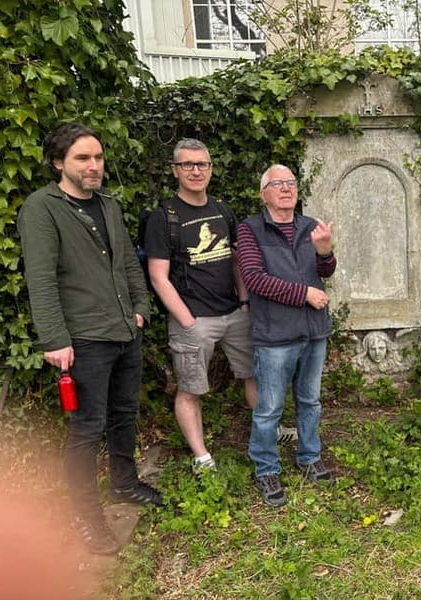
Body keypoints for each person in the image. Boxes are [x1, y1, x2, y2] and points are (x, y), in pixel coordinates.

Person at [18, 123, 163, 555]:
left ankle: (124, 484)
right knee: (86, 429)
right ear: (58, 162)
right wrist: (54, 339)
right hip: (83, 340)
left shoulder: (109, 205)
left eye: (98, 157)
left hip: (124, 331)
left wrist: (141, 306)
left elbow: (129, 263)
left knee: (124, 414)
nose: (93, 165)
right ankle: (87, 517)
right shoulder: (42, 209)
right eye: (83, 158)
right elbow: (41, 280)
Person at [145, 139, 296, 473]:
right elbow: (158, 276)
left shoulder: (222, 210)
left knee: (255, 374)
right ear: (175, 170)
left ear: (211, 169)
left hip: (234, 312)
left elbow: (237, 260)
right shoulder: (164, 217)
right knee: (191, 389)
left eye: (202, 164)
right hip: (194, 319)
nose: (196, 170)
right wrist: (186, 319)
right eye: (187, 164)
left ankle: (270, 432)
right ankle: (202, 457)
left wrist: (244, 301)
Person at [237, 164, 337, 506]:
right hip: (275, 335)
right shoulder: (251, 230)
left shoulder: (309, 226)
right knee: (269, 409)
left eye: (291, 182)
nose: (286, 188)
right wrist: (304, 294)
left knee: (310, 401)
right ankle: (266, 469)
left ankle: (309, 457)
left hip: (314, 331)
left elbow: (325, 271)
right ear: (263, 193)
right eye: (277, 183)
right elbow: (254, 279)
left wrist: (325, 251)